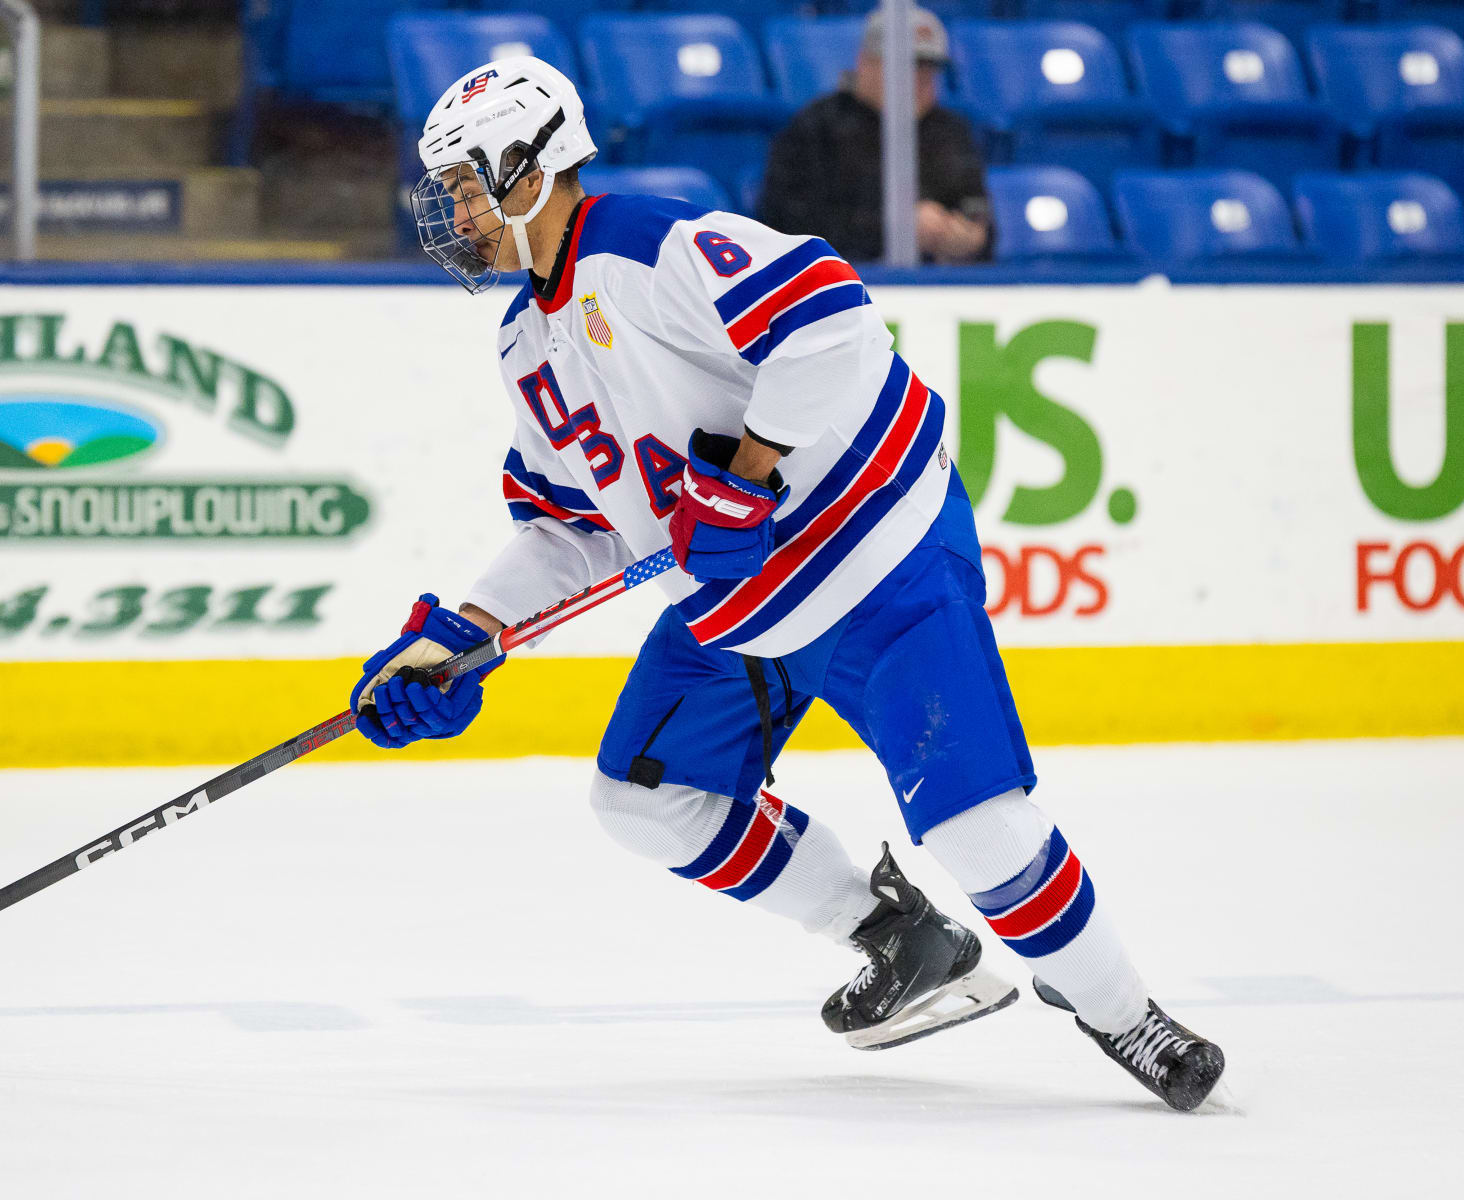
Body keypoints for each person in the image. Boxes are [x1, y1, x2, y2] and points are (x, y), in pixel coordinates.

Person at [366, 55, 1224, 1110]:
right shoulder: (523, 342)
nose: (452, 212)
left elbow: (831, 314)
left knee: (975, 825)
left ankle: (1125, 1014)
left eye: (464, 183)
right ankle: (902, 936)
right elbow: (570, 525)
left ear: (531, 169)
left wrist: (747, 473)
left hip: (877, 555)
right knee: (644, 797)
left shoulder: (650, 245)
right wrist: (462, 630)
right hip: (740, 604)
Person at [759, 5, 991, 264]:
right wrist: (894, 228)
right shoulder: (816, 127)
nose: (921, 78)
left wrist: (970, 238)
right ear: (865, 62)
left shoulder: (951, 131)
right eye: (908, 65)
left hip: (940, 288)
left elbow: (979, 213)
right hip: (842, 283)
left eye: (930, 68)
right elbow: (788, 221)